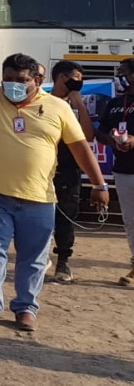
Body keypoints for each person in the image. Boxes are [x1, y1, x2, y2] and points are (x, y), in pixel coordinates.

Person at [0, 28, 108, 332]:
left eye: (22, 80)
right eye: (9, 78)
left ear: (37, 80)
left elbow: (79, 148)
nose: (14, 85)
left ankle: (25, 308)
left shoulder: (58, 107)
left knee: (34, 257)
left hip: (39, 198)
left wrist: (99, 185)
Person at [47, 60, 95, 284]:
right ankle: (38, 259)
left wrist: (79, 106)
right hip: (41, 169)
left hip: (68, 171)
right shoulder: (43, 101)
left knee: (65, 217)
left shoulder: (77, 105)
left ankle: (63, 262)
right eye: (75, 78)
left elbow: (88, 137)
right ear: (61, 78)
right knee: (37, 217)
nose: (79, 82)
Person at [95, 58, 134, 286]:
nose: (119, 76)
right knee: (130, 221)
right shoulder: (114, 103)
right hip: (123, 170)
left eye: (123, 72)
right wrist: (112, 141)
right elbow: (99, 132)